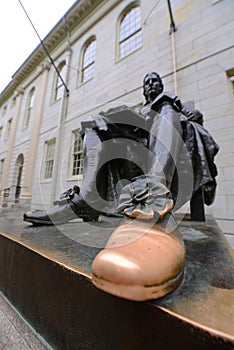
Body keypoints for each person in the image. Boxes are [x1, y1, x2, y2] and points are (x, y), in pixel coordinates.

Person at [23, 72, 219, 301]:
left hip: (168, 155)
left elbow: (194, 125)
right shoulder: (140, 111)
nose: (151, 84)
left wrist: (193, 115)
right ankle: (88, 199)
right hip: (136, 151)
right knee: (94, 124)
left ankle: (154, 195)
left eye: (155, 81)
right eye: (147, 82)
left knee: (166, 108)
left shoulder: (171, 106)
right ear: (143, 90)